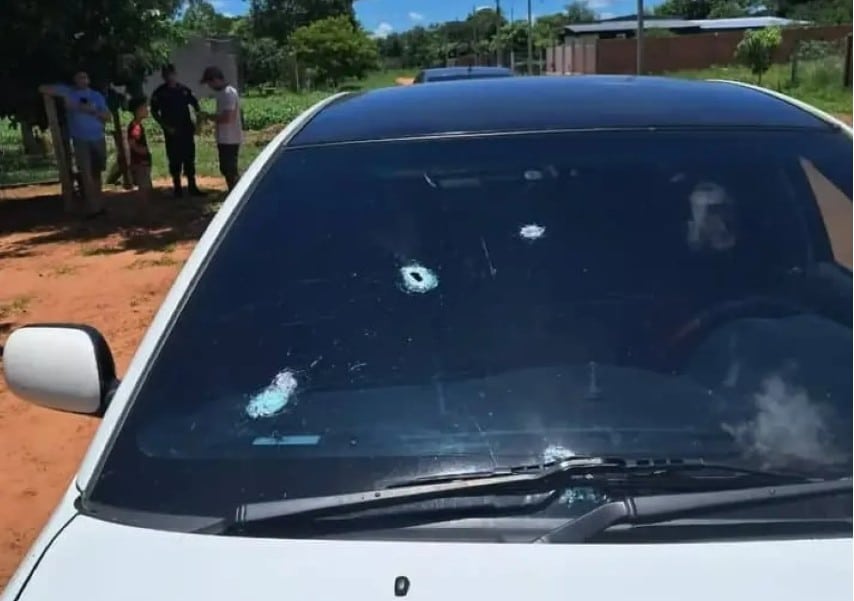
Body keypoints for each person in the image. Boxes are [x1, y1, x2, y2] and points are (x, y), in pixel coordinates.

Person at [39, 71, 111, 218]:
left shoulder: (96, 95)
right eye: (79, 77)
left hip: (97, 137)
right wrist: (71, 98)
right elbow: (42, 88)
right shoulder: (69, 93)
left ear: (89, 80)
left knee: (97, 172)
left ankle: (99, 203)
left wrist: (93, 110)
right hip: (80, 139)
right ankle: (93, 207)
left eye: (85, 77)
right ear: (74, 80)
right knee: (86, 172)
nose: (82, 80)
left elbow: (107, 116)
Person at [150, 64, 205, 197]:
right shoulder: (160, 93)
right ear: (163, 76)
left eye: (171, 74)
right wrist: (165, 126)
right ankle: (177, 188)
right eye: (166, 75)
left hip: (186, 130)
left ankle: (192, 187)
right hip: (171, 132)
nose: (170, 77)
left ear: (175, 74)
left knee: (189, 158)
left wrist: (198, 124)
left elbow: (196, 106)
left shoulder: (184, 90)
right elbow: (154, 112)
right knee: (174, 160)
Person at [200, 66, 244, 192]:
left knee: (230, 169)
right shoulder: (223, 93)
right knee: (225, 168)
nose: (209, 86)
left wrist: (209, 117)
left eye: (209, 83)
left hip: (230, 138)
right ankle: (233, 191)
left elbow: (228, 118)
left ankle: (236, 192)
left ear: (215, 79)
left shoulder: (229, 93)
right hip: (224, 138)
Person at [126, 96, 153, 218]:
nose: (147, 109)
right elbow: (132, 143)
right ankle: (143, 213)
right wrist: (143, 151)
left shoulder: (137, 125)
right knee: (144, 188)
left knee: (145, 187)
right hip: (141, 162)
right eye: (144, 107)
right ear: (138, 110)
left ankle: (144, 212)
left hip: (141, 161)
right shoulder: (136, 126)